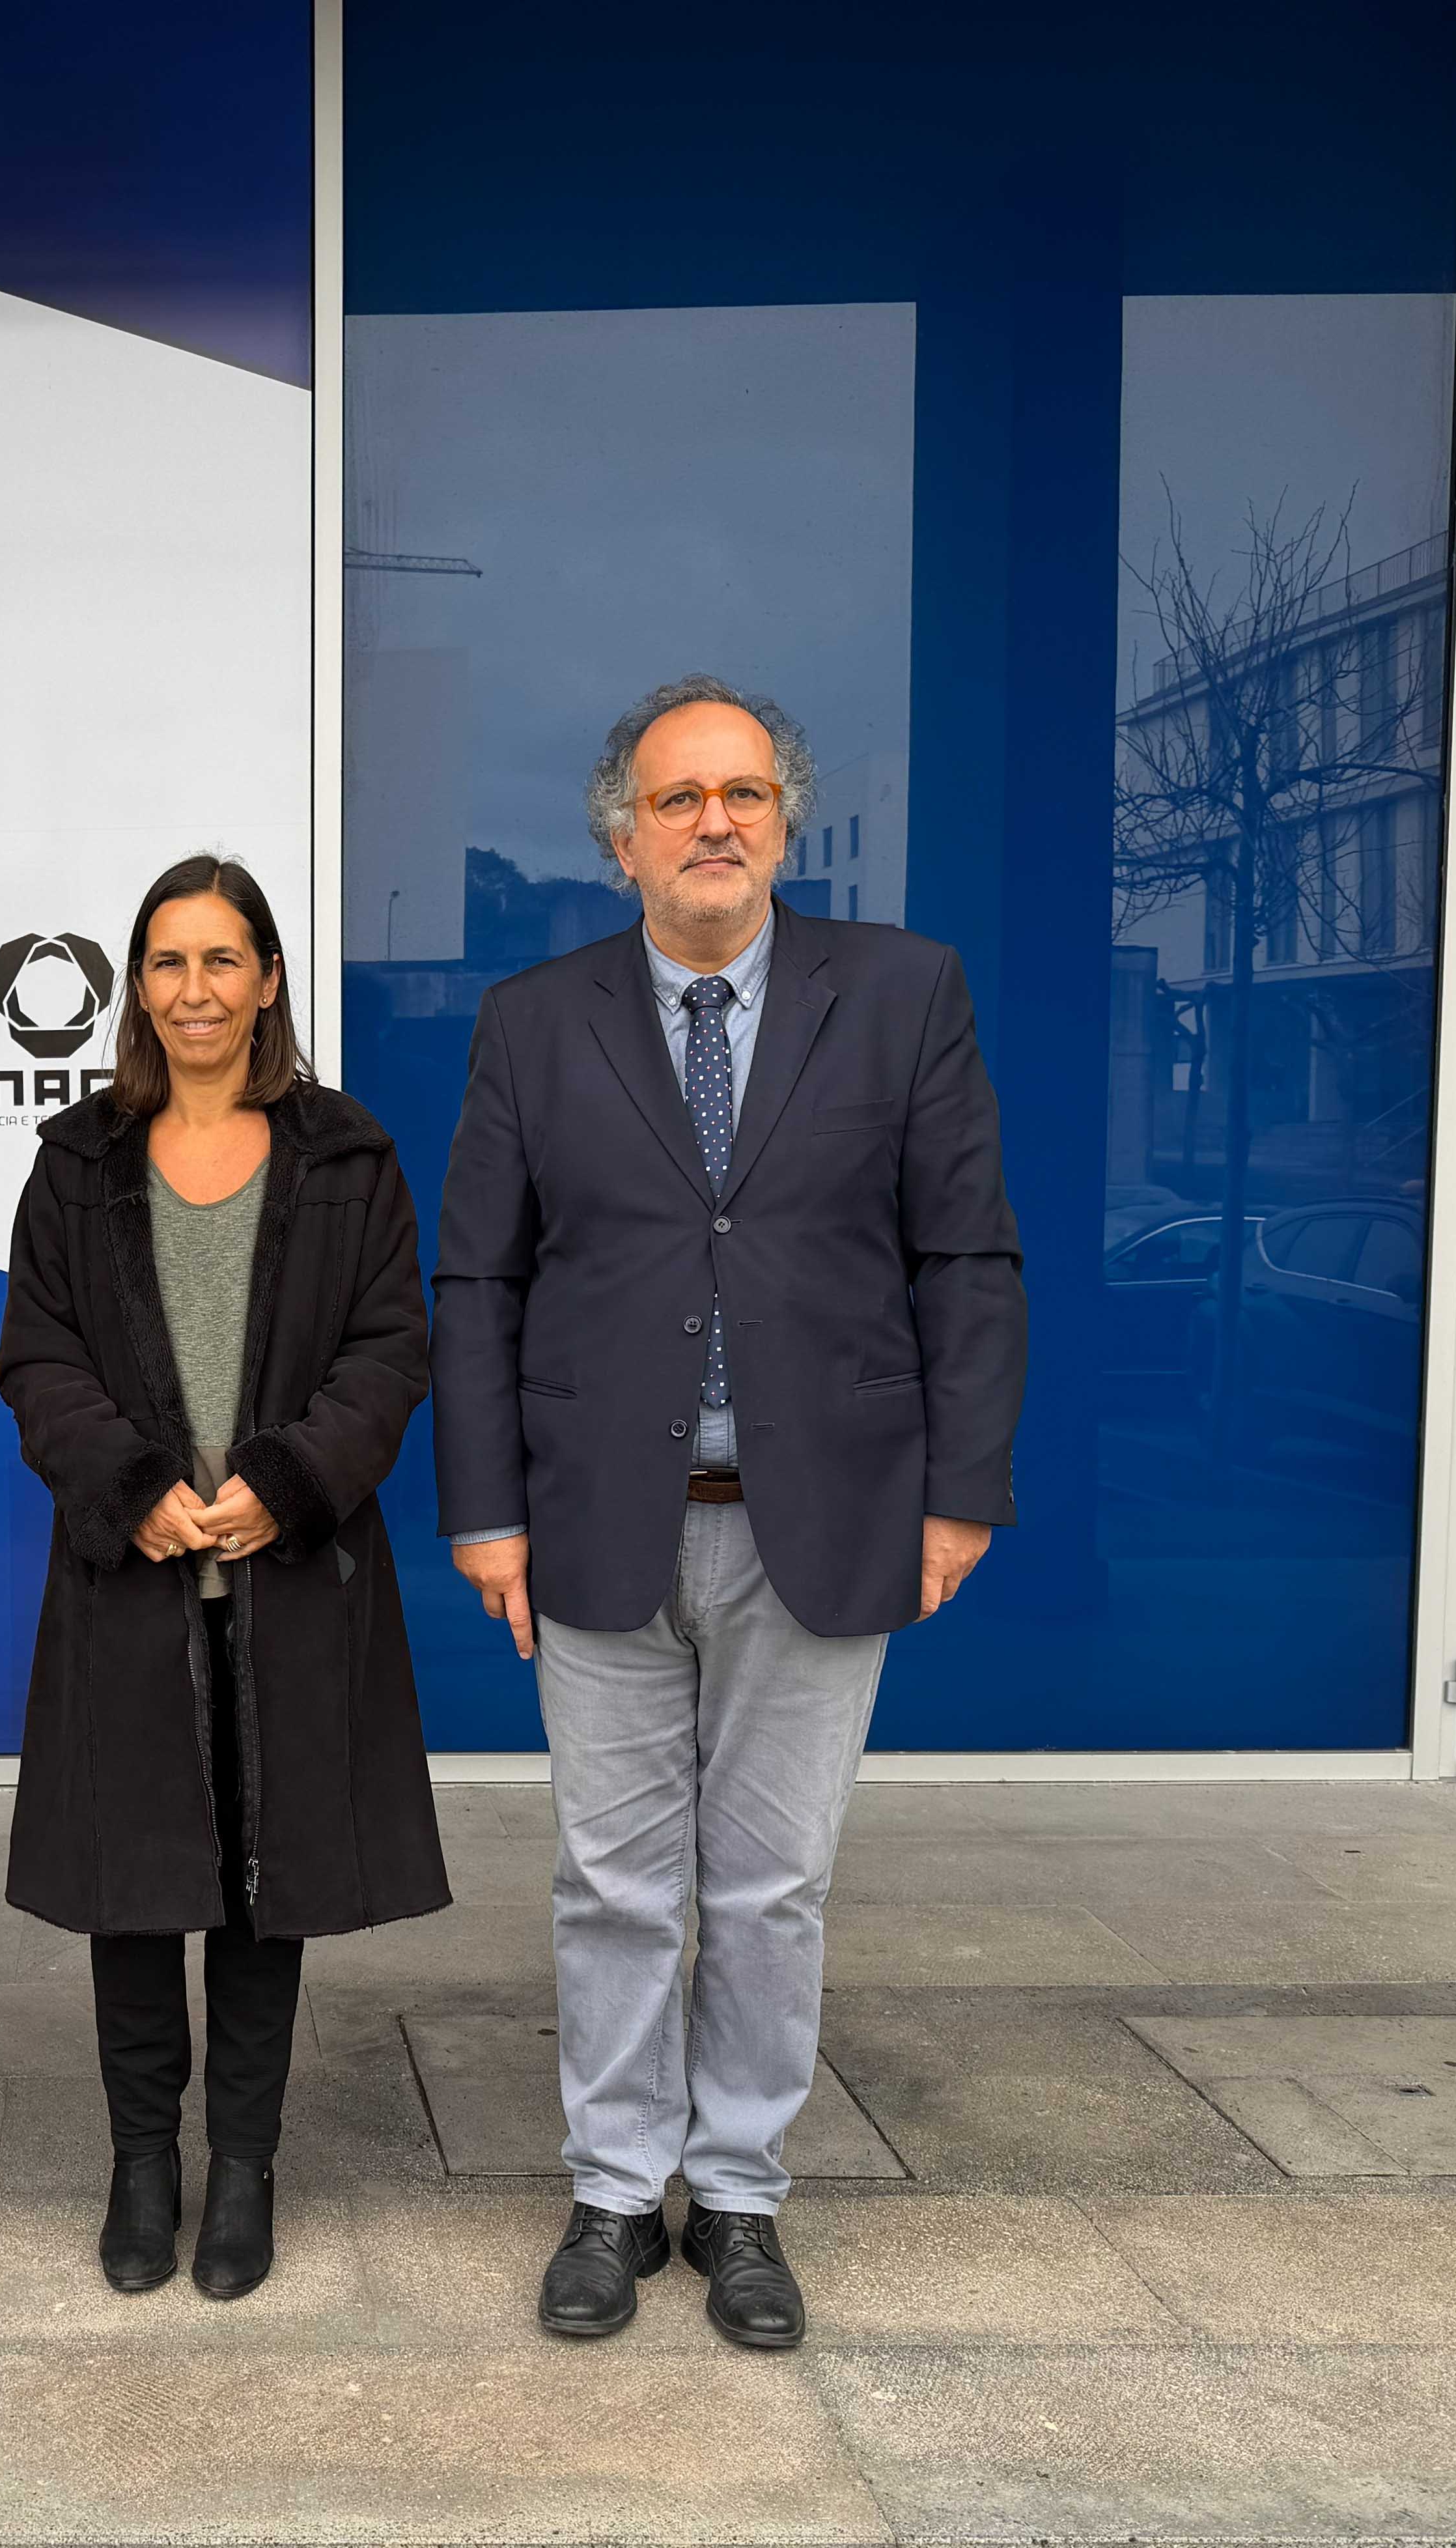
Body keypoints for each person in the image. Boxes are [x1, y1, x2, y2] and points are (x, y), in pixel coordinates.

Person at [434, 675, 1023, 2350]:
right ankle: (617, 2192)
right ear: (621, 838)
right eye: (680, 799)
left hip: (824, 1515)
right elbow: (478, 1280)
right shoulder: (534, 1019)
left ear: (785, 824)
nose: (716, 824)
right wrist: (484, 1511)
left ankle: (743, 2196)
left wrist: (961, 1492)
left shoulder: (902, 992)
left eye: (745, 795)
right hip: (595, 1518)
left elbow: (966, 1257)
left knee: (772, 1887)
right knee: (613, 1884)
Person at [0, 855, 449, 2301]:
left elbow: (390, 1349)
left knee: (268, 1898)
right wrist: (127, 1488)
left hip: (288, 1577)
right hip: (131, 1579)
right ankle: (143, 2163)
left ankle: (244, 2167)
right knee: (133, 1892)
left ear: (267, 981)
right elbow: (38, 1357)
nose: (195, 990)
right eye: (168, 962)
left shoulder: (349, 1157)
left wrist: (293, 1480)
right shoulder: (78, 1161)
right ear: (139, 989)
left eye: (221, 960)